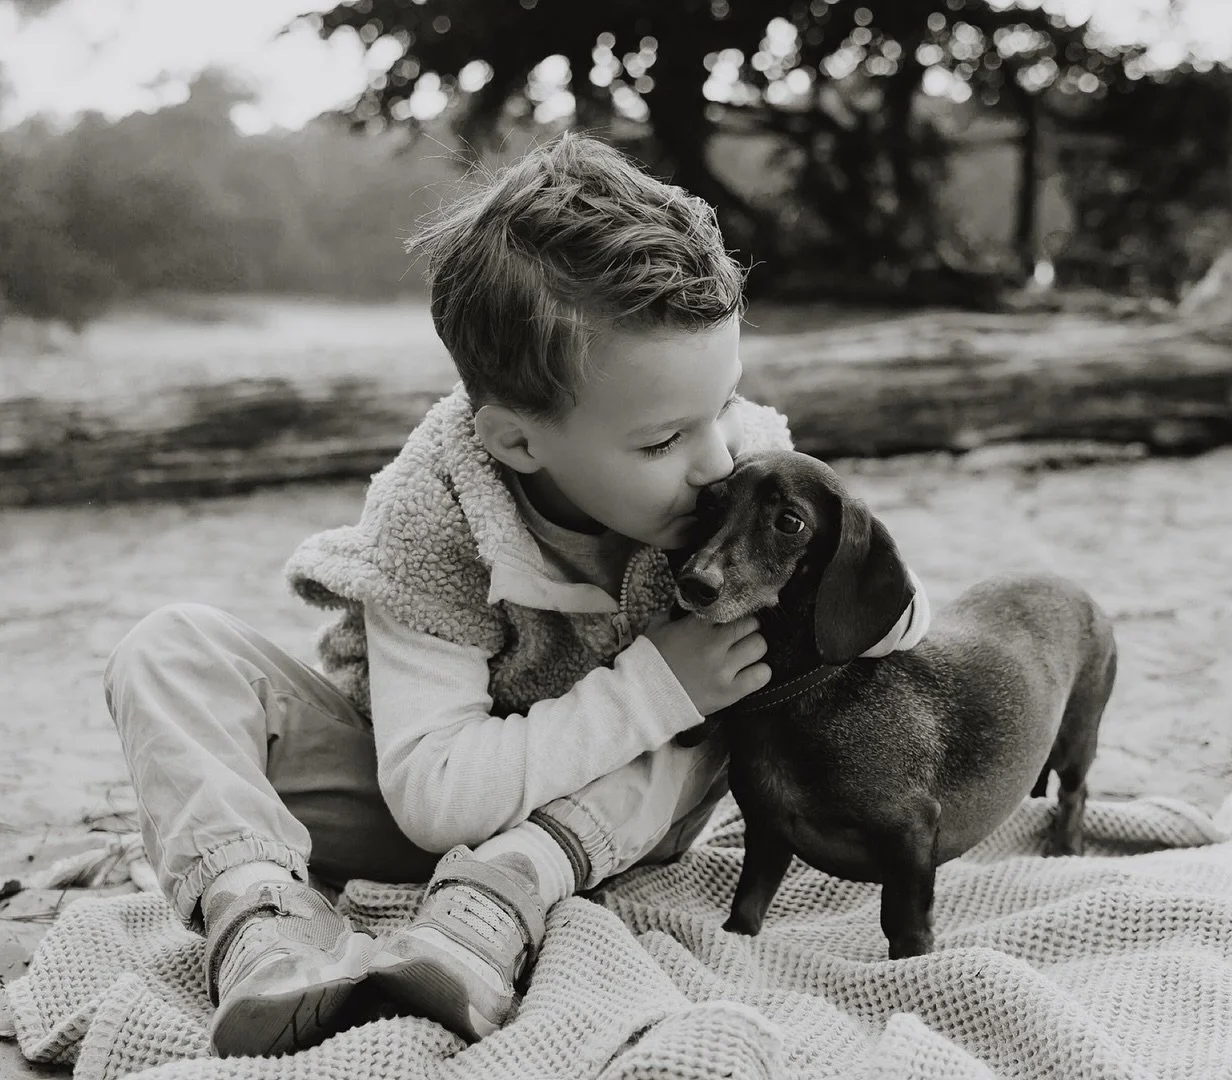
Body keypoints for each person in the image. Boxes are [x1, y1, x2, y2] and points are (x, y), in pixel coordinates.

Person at [103, 133, 931, 1059]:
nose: (713, 466)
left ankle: (487, 914)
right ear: (517, 442)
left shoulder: (745, 469)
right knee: (168, 645)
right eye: (663, 442)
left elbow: (888, 616)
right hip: (402, 793)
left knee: (716, 705)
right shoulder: (438, 515)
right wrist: (653, 684)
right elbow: (432, 799)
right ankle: (261, 920)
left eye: (724, 406)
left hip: (598, 822)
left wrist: (844, 600)